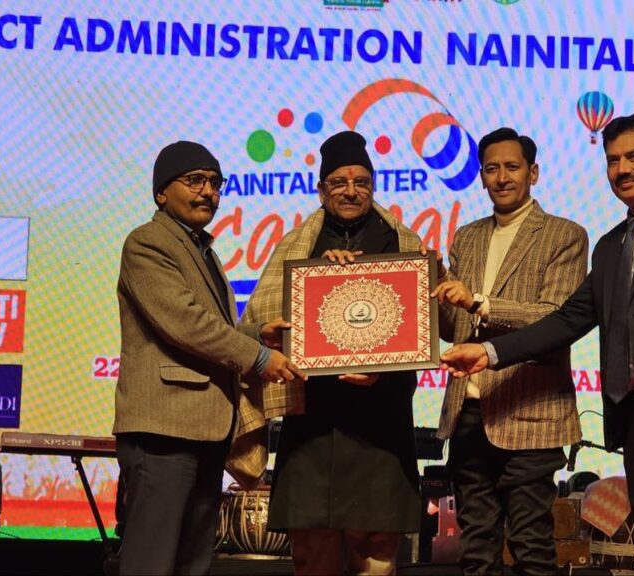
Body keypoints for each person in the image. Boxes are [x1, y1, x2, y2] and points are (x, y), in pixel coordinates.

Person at [440, 113, 634, 575]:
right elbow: (567, 320)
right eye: (613, 160)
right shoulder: (611, 246)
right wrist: (488, 353)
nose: (623, 169)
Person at [113, 141, 303, 575]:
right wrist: (259, 356)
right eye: (195, 180)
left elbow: (211, 325)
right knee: (151, 563)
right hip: (164, 430)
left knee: (193, 563)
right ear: (162, 192)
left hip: (204, 430)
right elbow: (185, 323)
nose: (208, 191)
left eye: (216, 183)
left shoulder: (203, 250)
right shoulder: (147, 243)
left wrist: (257, 334)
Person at [242, 131, 423, 575]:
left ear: (373, 187)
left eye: (362, 182)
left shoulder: (404, 245)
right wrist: (318, 282)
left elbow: (423, 332)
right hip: (313, 426)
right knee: (312, 556)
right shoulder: (298, 247)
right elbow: (258, 322)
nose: (351, 191)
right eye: (339, 182)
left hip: (381, 427)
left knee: (376, 561)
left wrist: (384, 373)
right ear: (321, 189)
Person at [431, 127, 588, 575]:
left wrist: (479, 301)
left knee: (531, 546)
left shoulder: (565, 235)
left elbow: (555, 318)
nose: (502, 177)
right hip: (468, 413)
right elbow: (455, 329)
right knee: (476, 551)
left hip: (530, 409)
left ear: (533, 173)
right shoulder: (467, 237)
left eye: (512, 167)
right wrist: (434, 286)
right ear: (481, 176)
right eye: (491, 169)